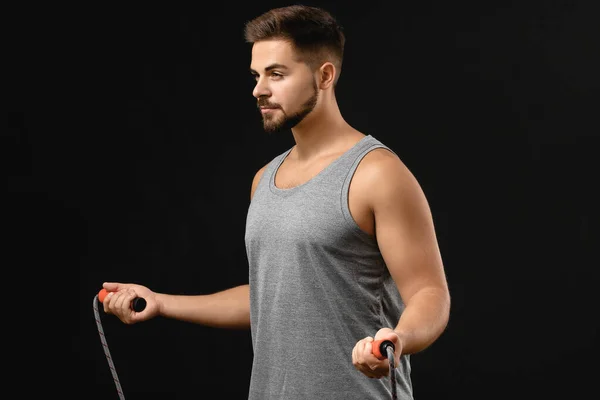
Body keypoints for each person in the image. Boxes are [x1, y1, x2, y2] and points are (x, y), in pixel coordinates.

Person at [101, 4, 451, 399]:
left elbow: (430, 294)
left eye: (276, 74)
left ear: (325, 75)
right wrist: (161, 302)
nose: (258, 89)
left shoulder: (377, 173)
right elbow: (269, 296)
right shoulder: (264, 179)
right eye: (256, 75)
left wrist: (398, 338)